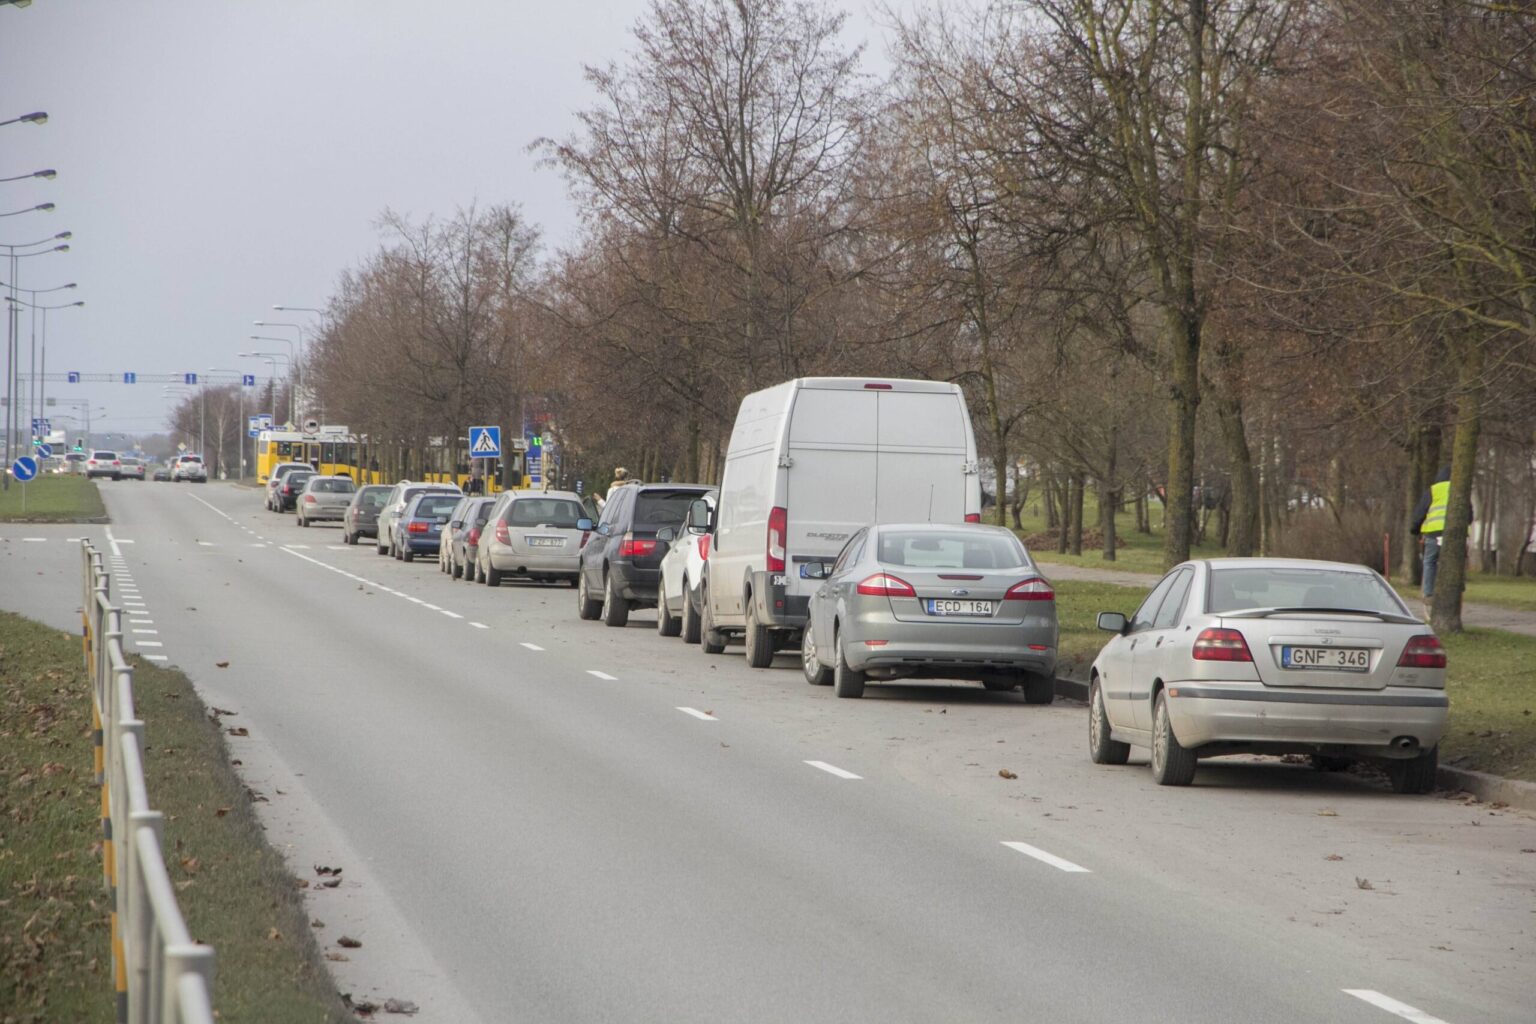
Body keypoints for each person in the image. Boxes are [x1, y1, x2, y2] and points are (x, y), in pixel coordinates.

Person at [1410, 466, 1452, 598]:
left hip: (1434, 533)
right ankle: (1455, 587)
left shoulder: (1433, 491)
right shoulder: (1460, 489)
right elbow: (1469, 514)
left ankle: (1428, 593)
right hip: (1453, 534)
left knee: (1429, 561)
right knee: (1454, 560)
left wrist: (1414, 529)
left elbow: (1420, 513)